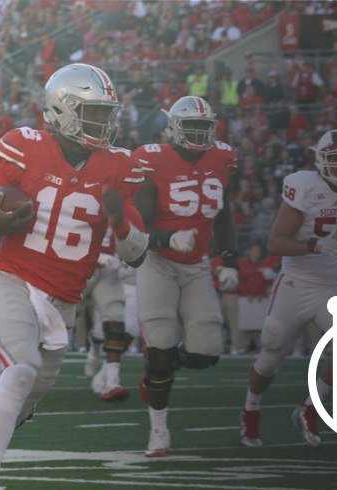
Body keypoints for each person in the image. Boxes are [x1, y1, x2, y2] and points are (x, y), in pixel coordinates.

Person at [0, 63, 149, 490]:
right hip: (13, 279)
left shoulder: (118, 166)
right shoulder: (26, 147)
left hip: (64, 301)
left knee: (21, 405)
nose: (104, 123)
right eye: (94, 113)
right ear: (63, 110)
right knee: (20, 371)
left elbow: (138, 252)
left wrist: (121, 222)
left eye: (106, 113)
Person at [239, 129, 337, 448]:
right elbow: (274, 242)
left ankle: (311, 407)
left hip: (336, 285)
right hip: (296, 283)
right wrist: (314, 246)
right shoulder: (303, 186)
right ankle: (250, 410)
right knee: (272, 353)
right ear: (320, 161)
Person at [133, 96, 239, 458]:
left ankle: (158, 363)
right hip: (157, 260)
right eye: (191, 126)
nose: (198, 133)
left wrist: (230, 260)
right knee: (161, 342)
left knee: (207, 350)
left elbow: (224, 213)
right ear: (174, 127)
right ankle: (159, 431)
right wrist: (166, 238)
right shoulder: (152, 159)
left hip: (195, 263)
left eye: (204, 127)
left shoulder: (223, 157)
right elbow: (137, 224)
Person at [85, 228, 135, 402]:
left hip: (110, 271)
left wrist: (129, 262)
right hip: (77, 268)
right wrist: (97, 256)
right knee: (56, 322)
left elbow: (137, 239)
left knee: (117, 321)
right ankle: (94, 351)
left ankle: (111, 382)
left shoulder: (127, 206)